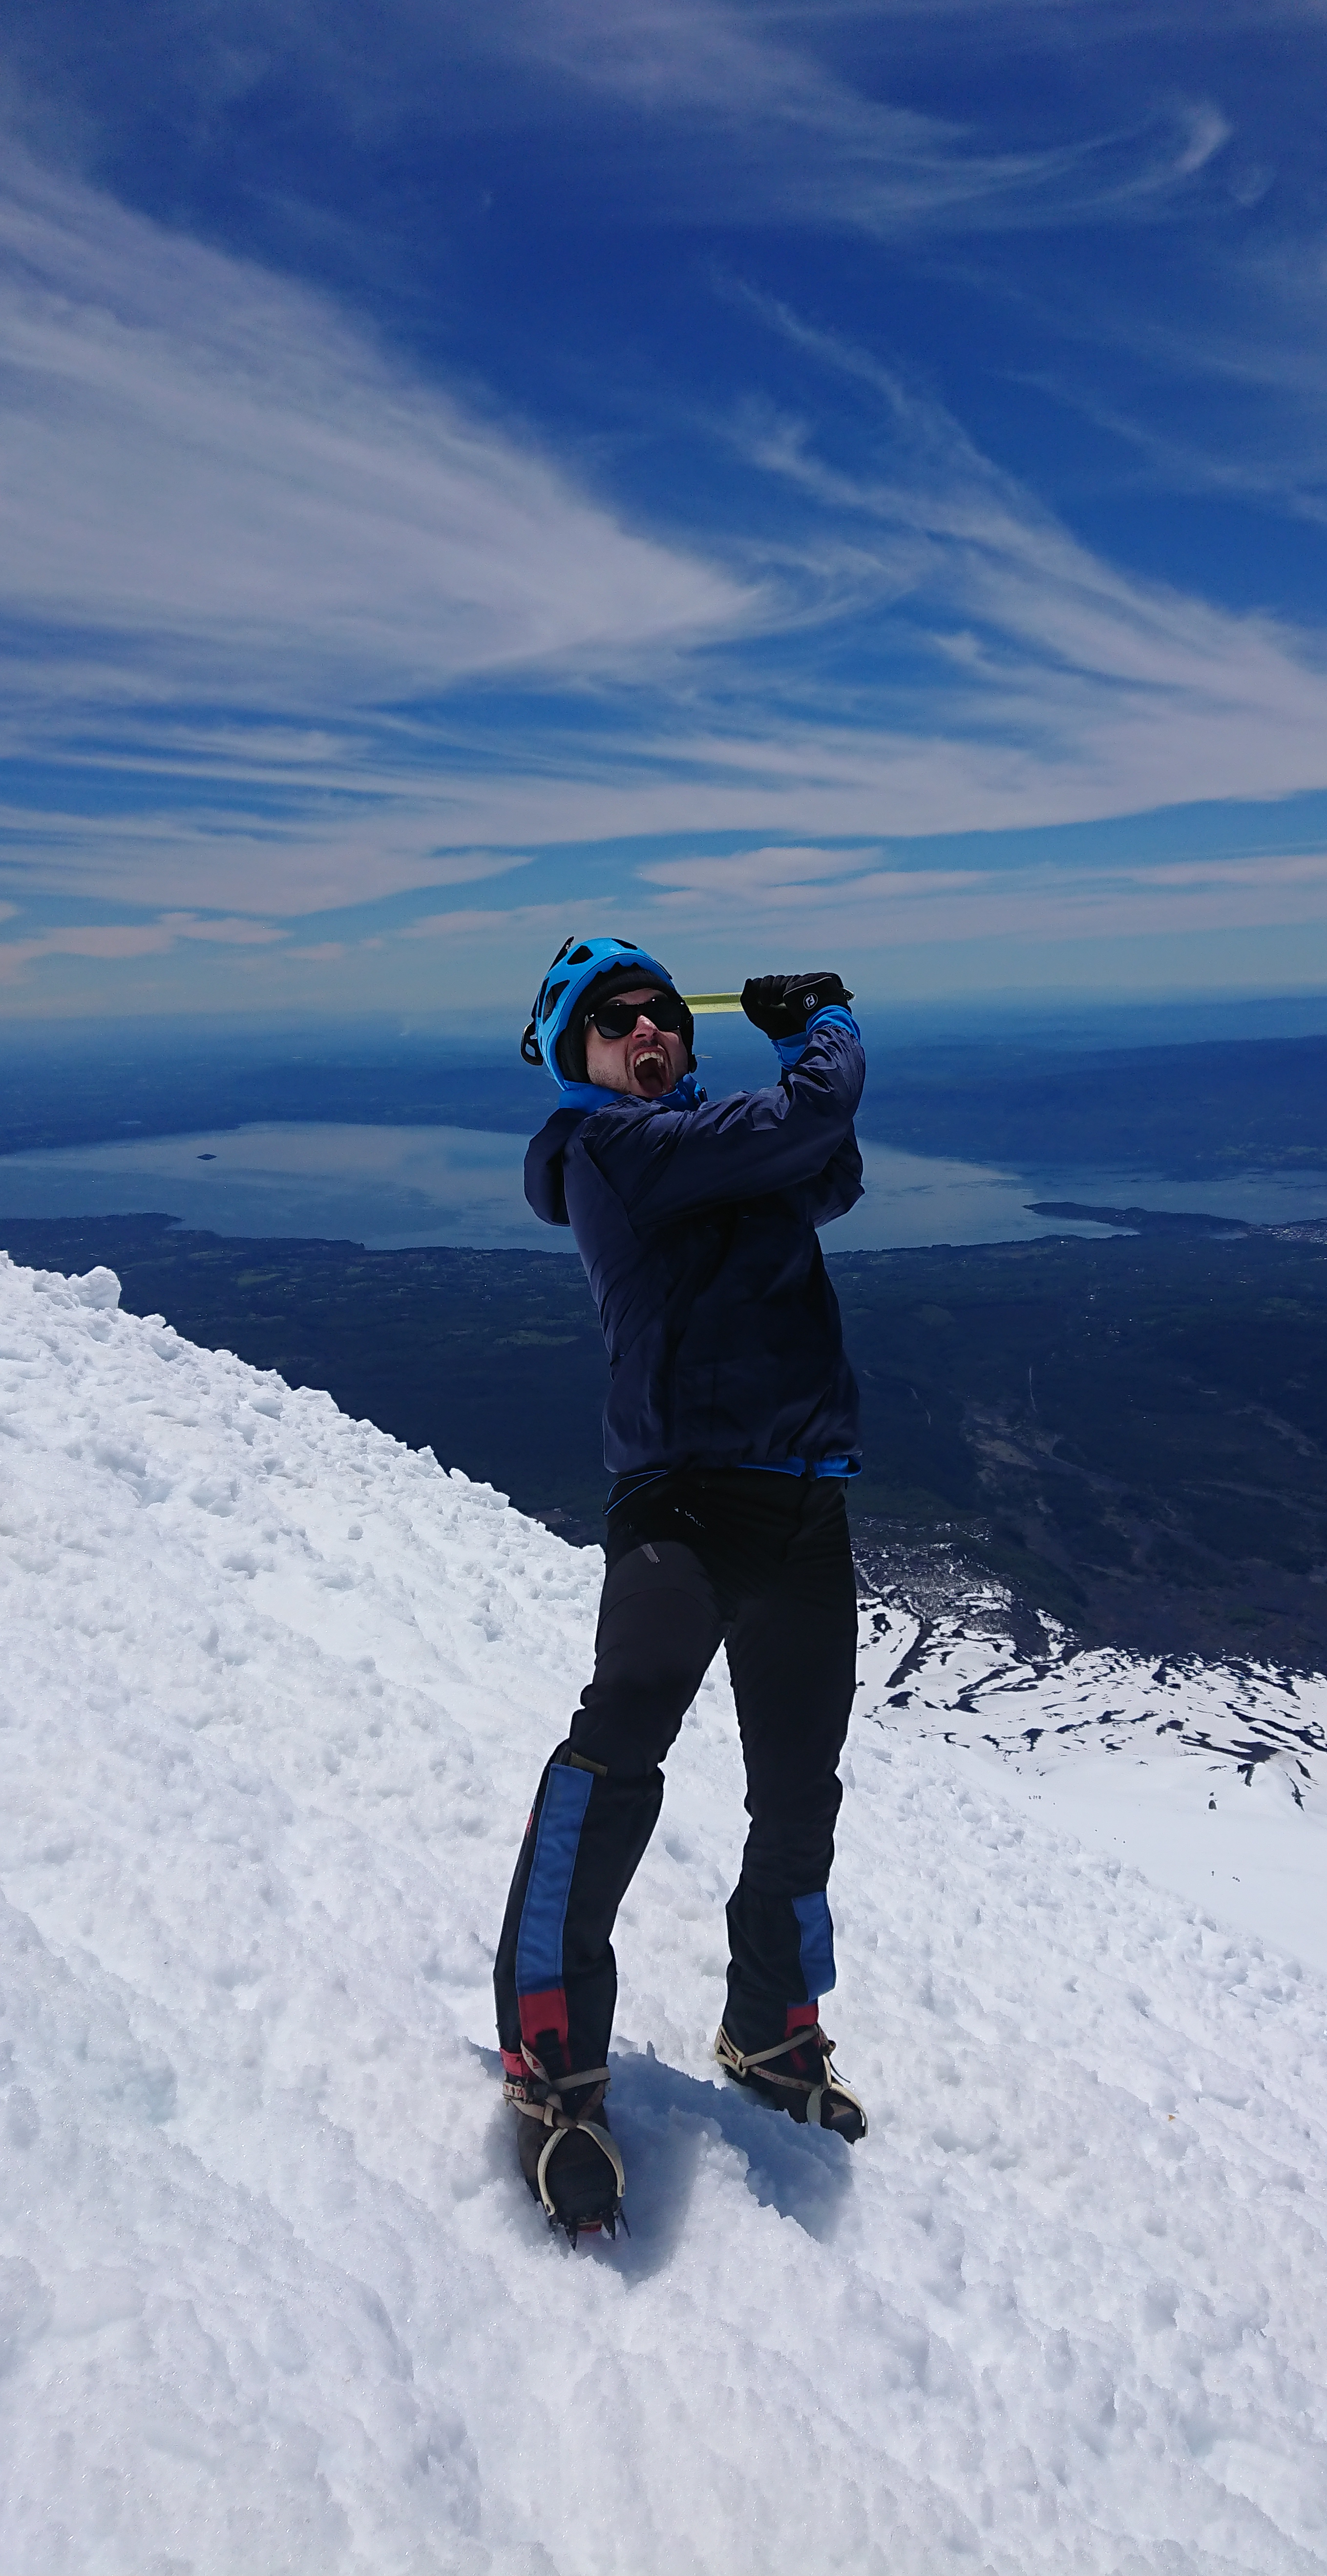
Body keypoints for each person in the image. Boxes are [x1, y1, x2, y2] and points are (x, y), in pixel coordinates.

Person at [494, 935, 868, 2237]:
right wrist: (814, 1028)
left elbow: (832, 1171)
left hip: (805, 1505)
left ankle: (775, 2029)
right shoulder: (608, 1152)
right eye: (616, 1024)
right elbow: (823, 1115)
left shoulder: (696, 1148)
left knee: (799, 1789)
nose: (648, 1032)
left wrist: (783, 1111)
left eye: (660, 1017)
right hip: (687, 1507)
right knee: (622, 1739)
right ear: (575, 1060)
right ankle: (550, 2051)